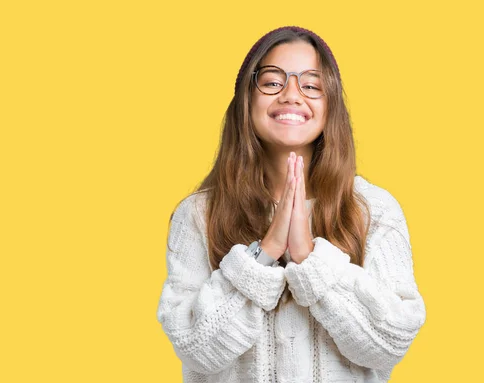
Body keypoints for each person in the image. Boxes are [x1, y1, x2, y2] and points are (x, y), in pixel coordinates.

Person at [156, 26, 426, 383]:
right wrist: (265, 253)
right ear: (246, 100)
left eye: (311, 85)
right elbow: (194, 347)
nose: (291, 95)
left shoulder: (373, 209)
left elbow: (390, 343)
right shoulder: (198, 214)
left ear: (331, 107)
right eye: (272, 82)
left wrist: (308, 257)